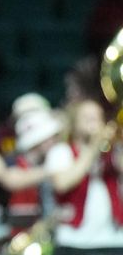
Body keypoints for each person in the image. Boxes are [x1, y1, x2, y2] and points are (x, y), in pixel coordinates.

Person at [45, 98, 123, 253]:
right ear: (74, 123)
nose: (94, 122)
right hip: (73, 241)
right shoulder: (61, 152)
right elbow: (62, 184)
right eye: (87, 117)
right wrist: (94, 145)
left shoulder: (113, 153)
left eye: (98, 117)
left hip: (114, 240)